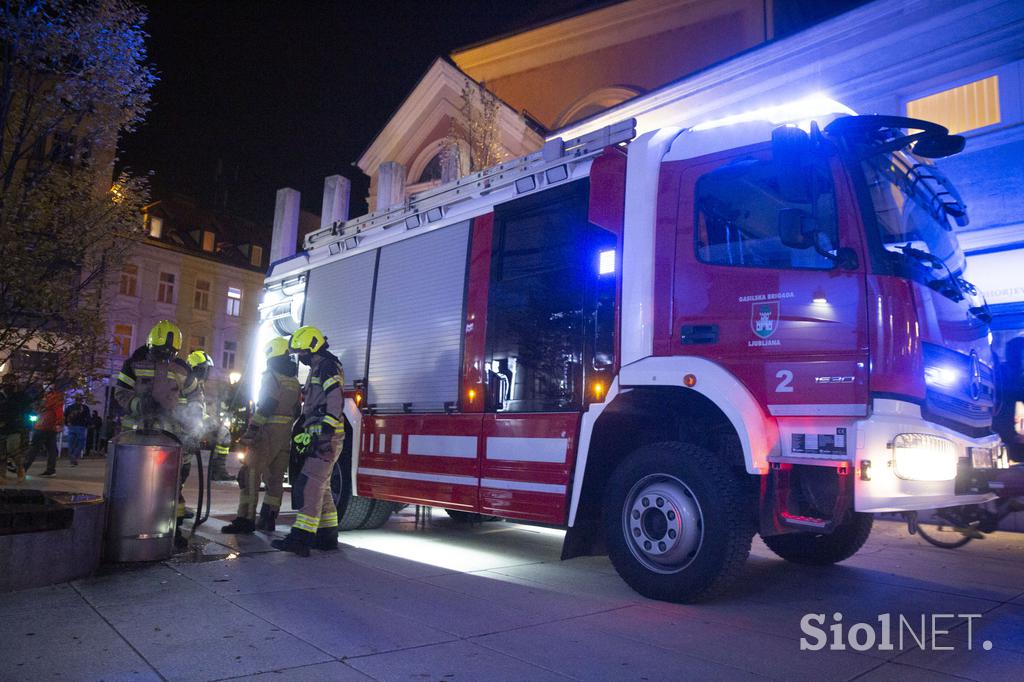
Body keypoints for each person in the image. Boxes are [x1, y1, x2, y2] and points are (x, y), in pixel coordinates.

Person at [113, 320, 194, 544]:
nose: (164, 357)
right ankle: (132, 527)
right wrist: (139, 404)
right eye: (160, 352)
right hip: (136, 436)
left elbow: (196, 401)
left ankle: (173, 530)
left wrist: (188, 423)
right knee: (134, 484)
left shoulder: (184, 370)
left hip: (170, 437)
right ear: (150, 345)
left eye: (170, 353)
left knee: (172, 486)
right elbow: (120, 392)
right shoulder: (134, 364)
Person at [272, 325, 345, 556]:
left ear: (311, 348)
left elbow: (334, 398)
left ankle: (301, 538)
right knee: (320, 486)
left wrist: (326, 428)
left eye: (301, 352)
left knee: (310, 484)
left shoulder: (326, 366)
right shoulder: (318, 367)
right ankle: (326, 536)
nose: (300, 357)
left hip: (327, 436)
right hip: (323, 435)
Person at [222, 337, 301, 534]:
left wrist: (253, 428)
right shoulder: (293, 380)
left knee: (250, 474)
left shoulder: (271, 375)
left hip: (266, 434)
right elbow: (296, 410)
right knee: (275, 479)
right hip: (285, 436)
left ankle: (245, 519)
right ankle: (268, 518)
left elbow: (268, 404)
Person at [181, 349, 233, 481]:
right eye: (203, 369)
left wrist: (211, 421)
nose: (206, 373)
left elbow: (200, 410)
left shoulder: (199, 385)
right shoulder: (186, 382)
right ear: (194, 369)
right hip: (185, 426)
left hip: (196, 424)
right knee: (182, 464)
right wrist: (206, 421)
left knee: (223, 433)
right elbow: (188, 410)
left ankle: (218, 470)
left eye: (207, 369)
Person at [24, 383, 65, 476]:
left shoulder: (51, 398)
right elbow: (58, 411)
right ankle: (51, 469)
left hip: (44, 425)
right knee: (51, 449)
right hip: (49, 426)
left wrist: (59, 423)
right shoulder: (53, 398)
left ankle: (24, 467)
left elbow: (57, 411)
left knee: (35, 447)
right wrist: (58, 423)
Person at [1, 374, 30, 481]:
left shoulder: (20, 396)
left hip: (15, 427)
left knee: (13, 450)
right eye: (7, 381)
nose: (9, 384)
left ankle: (20, 469)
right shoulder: (1, 395)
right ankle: (2, 475)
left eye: (12, 381)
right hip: (1, 428)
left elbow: (28, 408)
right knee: (1, 453)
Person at [64, 396, 90, 466]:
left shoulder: (69, 407)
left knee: (71, 443)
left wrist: (66, 424)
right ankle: (75, 456)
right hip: (81, 426)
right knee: (81, 443)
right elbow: (88, 418)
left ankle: (72, 459)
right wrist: (87, 425)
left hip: (71, 426)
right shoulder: (85, 408)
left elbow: (65, 415)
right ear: (82, 400)